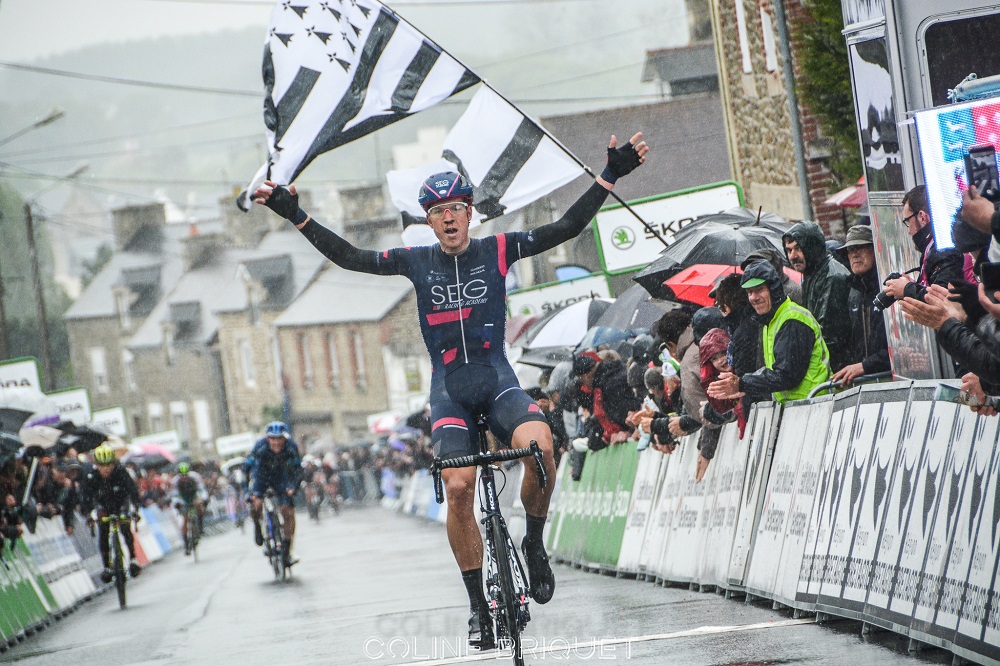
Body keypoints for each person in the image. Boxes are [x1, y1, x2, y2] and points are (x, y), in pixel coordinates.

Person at [253, 132, 648, 648]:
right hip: (450, 392)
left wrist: (610, 174)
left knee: (543, 447)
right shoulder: (416, 262)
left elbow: (567, 226)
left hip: (498, 379)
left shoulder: (499, 248)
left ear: (470, 213)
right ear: (429, 221)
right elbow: (350, 256)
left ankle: (532, 542)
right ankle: (478, 607)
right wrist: (295, 214)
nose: (448, 217)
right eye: (437, 211)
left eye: (456, 208)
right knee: (459, 488)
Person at [708, 261, 831, 404]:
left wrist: (742, 383)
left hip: (816, 404)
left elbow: (786, 375)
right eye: (749, 292)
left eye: (759, 290)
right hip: (800, 407)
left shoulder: (792, 318)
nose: (754, 297)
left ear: (773, 289)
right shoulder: (770, 320)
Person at [782, 221, 853, 372]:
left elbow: (828, 333)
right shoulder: (812, 275)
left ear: (811, 247)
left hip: (838, 369)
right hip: (828, 367)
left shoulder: (832, 276)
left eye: (798, 248)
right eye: (789, 250)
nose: (792, 256)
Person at [882, 185, 966, 304]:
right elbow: (933, 287)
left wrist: (907, 289)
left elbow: (942, 299)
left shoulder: (943, 248)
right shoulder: (934, 247)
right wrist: (912, 285)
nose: (909, 231)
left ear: (922, 217)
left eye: (907, 221)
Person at [831, 225, 890, 387]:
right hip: (867, 384)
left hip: (890, 381)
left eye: (861, 247)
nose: (854, 254)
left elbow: (901, 350)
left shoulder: (890, 289)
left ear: (875, 250)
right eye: (850, 250)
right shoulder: (854, 292)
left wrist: (865, 366)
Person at [79, 444, 142, 582]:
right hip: (104, 505)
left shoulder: (121, 472)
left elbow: (133, 491)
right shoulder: (92, 477)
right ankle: (107, 566)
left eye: (109, 465)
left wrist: (135, 509)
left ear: (114, 463)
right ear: (96, 465)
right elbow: (85, 497)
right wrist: (88, 514)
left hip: (120, 503)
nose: (106, 469)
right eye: (102, 466)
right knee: (103, 530)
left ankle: (133, 559)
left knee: (125, 527)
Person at [247, 421, 303, 568]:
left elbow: (298, 470)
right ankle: (257, 527)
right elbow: (246, 468)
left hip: (281, 478)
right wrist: (248, 493)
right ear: (268, 438)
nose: (276, 442)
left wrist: (293, 487)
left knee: (287, 511)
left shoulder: (291, 446)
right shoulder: (260, 447)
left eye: (279, 439)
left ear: (284, 438)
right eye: (273, 438)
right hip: (262, 477)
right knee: (256, 504)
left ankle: (287, 547)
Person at [171, 462, 207, 556]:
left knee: (199, 507)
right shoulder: (175, 481)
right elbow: (175, 495)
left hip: (194, 496)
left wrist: (202, 499)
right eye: (182, 476)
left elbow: (202, 489)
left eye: (185, 475)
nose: (184, 478)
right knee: (185, 520)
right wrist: (177, 503)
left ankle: (200, 525)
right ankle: (186, 545)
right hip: (183, 499)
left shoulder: (195, 477)